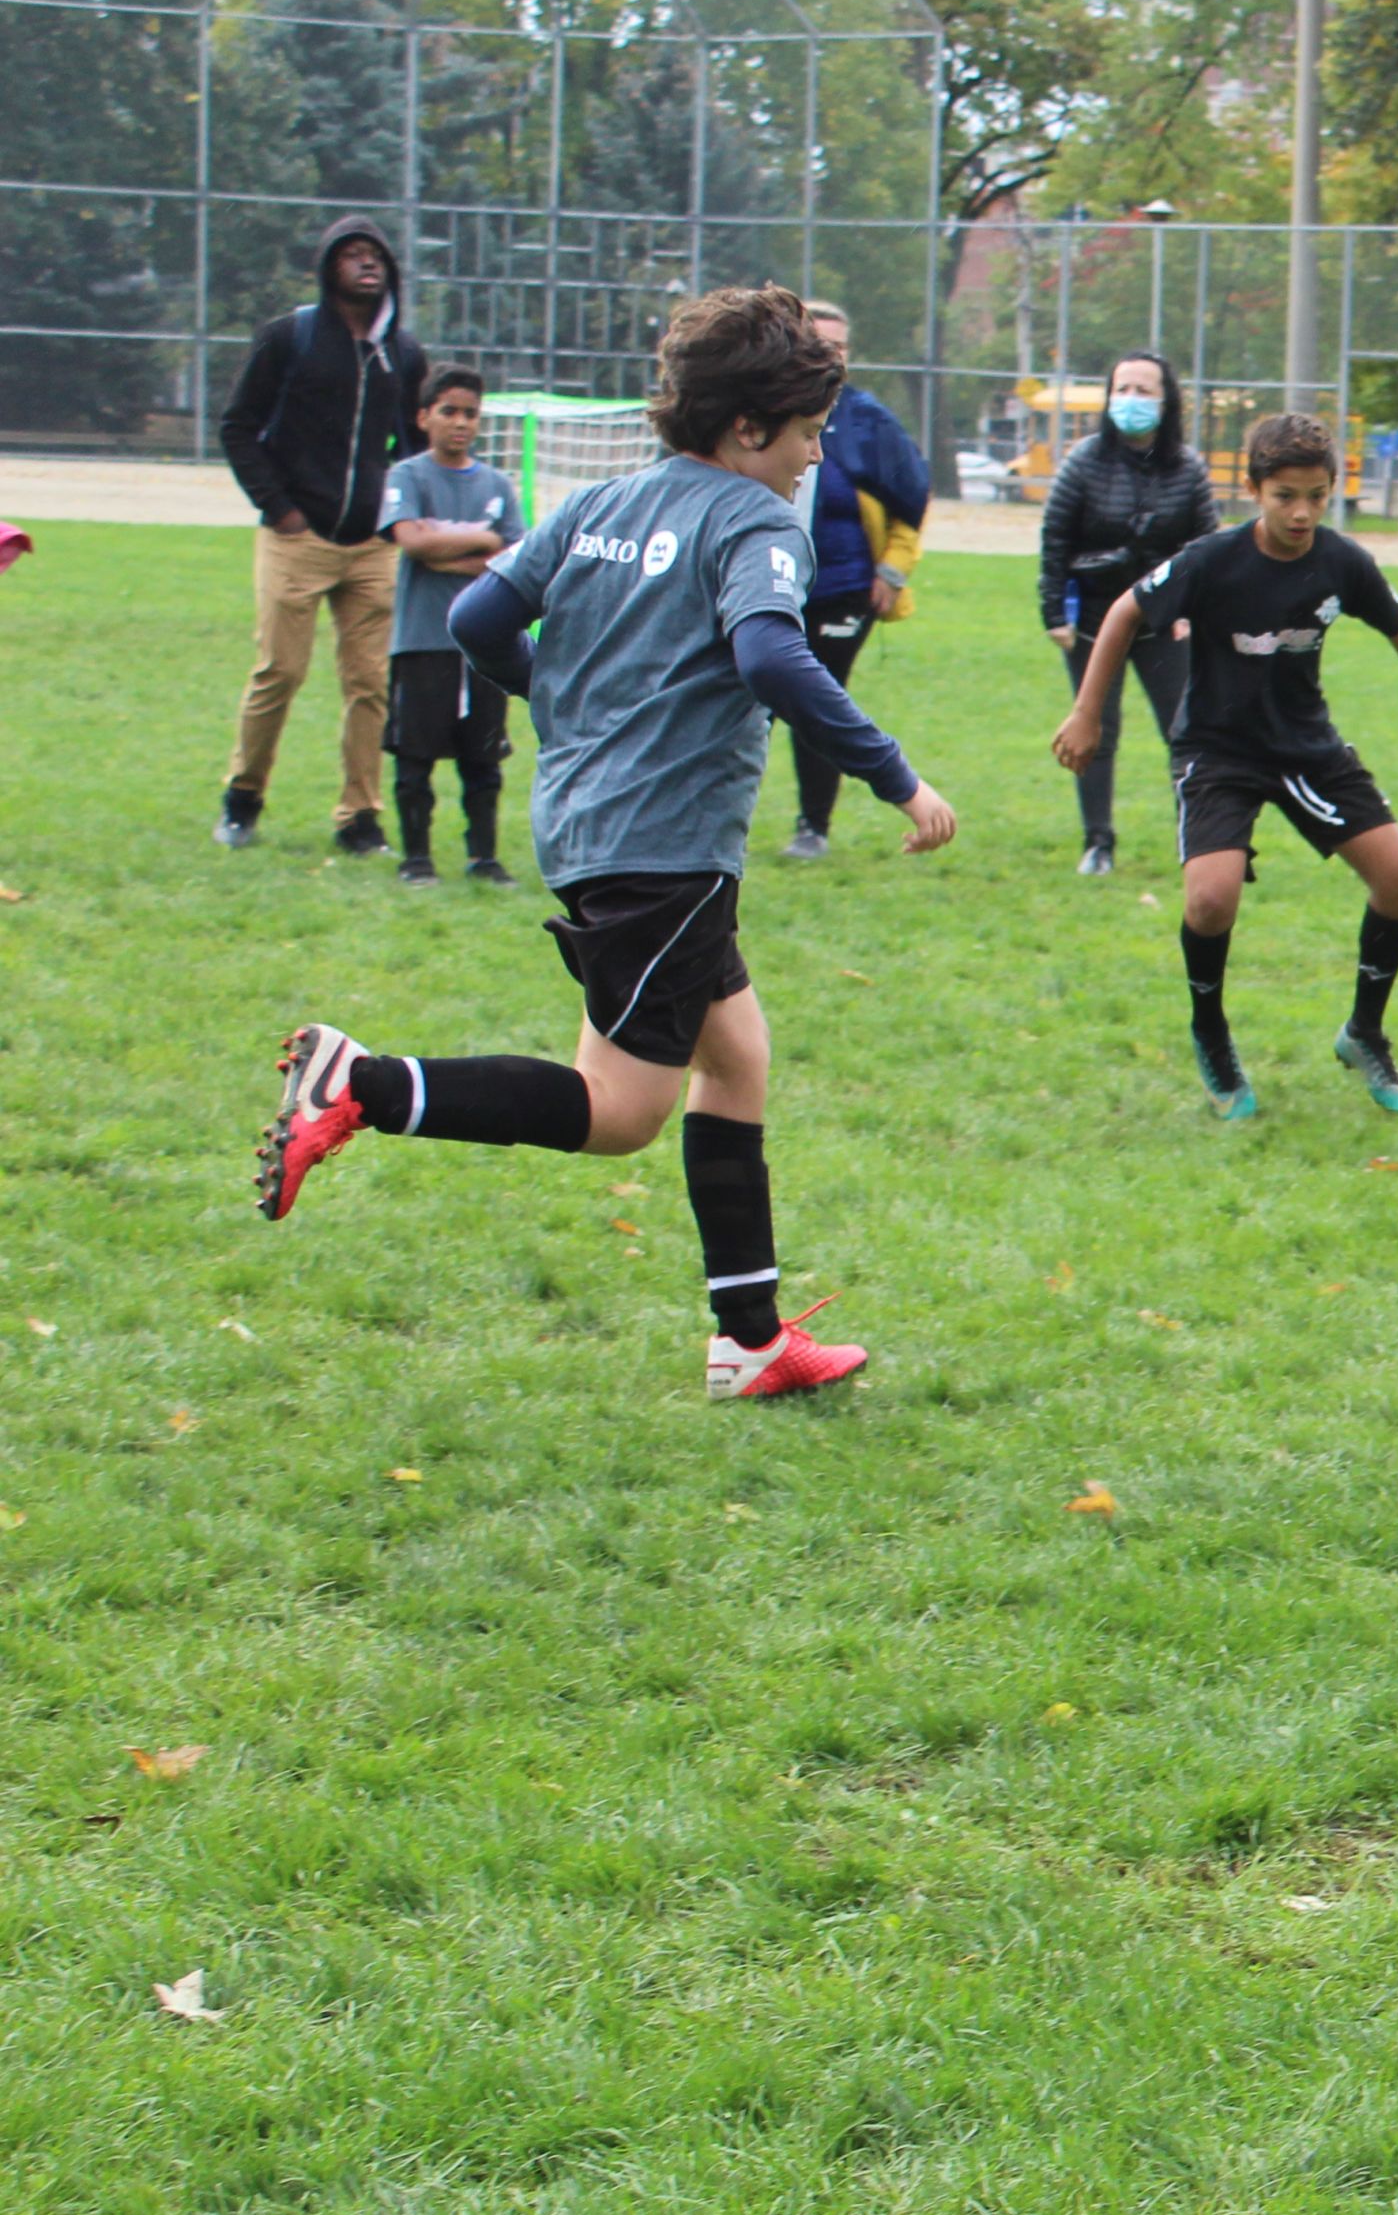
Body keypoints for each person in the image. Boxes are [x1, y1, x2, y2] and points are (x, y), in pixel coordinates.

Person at [251, 285, 961, 1401]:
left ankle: (750, 1340)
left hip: (597, 826)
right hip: (665, 851)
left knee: (737, 1059)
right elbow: (776, 661)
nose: (815, 458)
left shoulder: (599, 502)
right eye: (808, 435)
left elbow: (485, 620)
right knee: (622, 1112)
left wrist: (565, 704)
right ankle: (364, 1084)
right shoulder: (752, 519)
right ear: (745, 429)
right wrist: (895, 776)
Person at [1052, 414, 1398, 1122]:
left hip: (1305, 746)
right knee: (1210, 899)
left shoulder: (1342, 562)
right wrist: (1086, 713)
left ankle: (1364, 1033)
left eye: (1317, 496)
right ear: (1254, 489)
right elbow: (1120, 616)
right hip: (1216, 750)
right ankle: (1212, 1036)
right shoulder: (1211, 560)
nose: (1301, 512)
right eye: (1285, 495)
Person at [217, 214, 429, 852]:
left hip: (372, 548)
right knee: (280, 670)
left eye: (376, 256)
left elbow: (415, 448)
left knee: (369, 685)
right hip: (296, 538)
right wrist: (280, 509)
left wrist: (397, 517)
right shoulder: (292, 336)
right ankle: (242, 799)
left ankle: (359, 819)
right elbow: (238, 427)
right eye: (353, 255)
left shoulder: (403, 353)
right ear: (329, 267)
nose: (367, 264)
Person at [1035, 350, 1219, 874]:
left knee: (1186, 731)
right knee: (1094, 728)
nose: (1131, 401)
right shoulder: (1083, 461)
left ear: (1167, 401)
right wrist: (1054, 612)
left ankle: (1200, 842)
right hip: (1094, 620)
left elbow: (1206, 545)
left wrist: (1195, 611)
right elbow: (1055, 539)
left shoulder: (1187, 468)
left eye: (1144, 391)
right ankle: (1098, 842)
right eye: (1123, 390)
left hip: (1166, 624)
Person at [780, 299, 931, 860]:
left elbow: (913, 496)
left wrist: (891, 572)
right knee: (748, 702)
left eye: (839, 347)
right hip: (767, 586)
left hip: (841, 590)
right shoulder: (764, 415)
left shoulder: (867, 420)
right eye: (818, 344)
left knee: (816, 701)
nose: (830, 356)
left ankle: (811, 828)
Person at [380, 364, 526, 886]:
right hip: (421, 639)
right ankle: (416, 857)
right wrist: (481, 541)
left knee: (483, 757)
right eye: (449, 412)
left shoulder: (496, 484)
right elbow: (412, 543)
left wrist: (460, 551)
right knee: (414, 755)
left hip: (484, 646)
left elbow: (512, 556)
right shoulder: (408, 476)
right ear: (424, 418)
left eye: (470, 413)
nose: (460, 423)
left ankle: (483, 856)